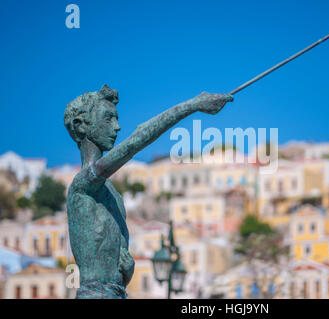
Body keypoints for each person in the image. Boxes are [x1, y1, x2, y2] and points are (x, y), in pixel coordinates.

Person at [64, 84, 233, 298]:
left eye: (116, 119)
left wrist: (125, 274)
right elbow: (135, 142)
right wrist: (193, 105)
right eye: (108, 119)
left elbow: (138, 134)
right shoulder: (81, 186)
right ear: (80, 126)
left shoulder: (113, 195)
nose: (117, 127)